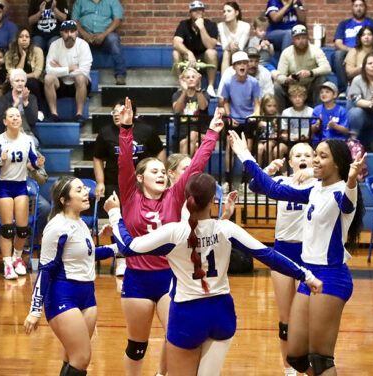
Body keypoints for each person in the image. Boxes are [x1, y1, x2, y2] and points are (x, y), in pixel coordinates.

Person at [105, 171, 322, 376]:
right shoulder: (226, 229)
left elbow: (128, 247)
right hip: (221, 313)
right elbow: (269, 256)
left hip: (187, 314)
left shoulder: (173, 232)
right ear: (212, 201)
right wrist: (307, 276)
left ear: (186, 199)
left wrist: (115, 214)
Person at [231, 130, 366, 376]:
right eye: (315, 155)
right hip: (309, 274)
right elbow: (272, 188)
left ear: (337, 162)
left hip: (331, 278)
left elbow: (348, 200)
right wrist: (244, 155)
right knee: (296, 356)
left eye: (321, 156)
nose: (315, 160)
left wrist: (352, 180)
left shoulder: (341, 192)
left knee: (321, 358)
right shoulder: (315, 190)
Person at [116, 98, 223, 376]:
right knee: (136, 346)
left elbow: (195, 166)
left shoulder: (174, 197)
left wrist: (211, 132)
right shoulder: (129, 196)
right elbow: (125, 162)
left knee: (175, 339)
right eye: (154, 171)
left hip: (169, 277)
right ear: (140, 178)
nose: (161, 175)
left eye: (164, 171)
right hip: (137, 279)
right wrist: (126, 129)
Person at [23, 176, 118, 376]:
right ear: (64, 200)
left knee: (72, 358)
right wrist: (34, 310)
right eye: (79, 190)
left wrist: (116, 248)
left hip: (87, 295)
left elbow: (88, 254)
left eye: (85, 188)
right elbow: (46, 269)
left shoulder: (81, 223)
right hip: (63, 295)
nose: (86, 192)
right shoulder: (57, 226)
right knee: (82, 358)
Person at [253, 142, 317, 376]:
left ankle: (307, 363)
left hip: (308, 254)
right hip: (281, 251)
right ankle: (288, 369)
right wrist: (269, 170)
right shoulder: (281, 182)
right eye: (297, 155)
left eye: (307, 155)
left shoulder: (320, 185)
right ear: (290, 162)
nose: (303, 158)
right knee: (285, 319)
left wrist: (311, 173)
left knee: (306, 315)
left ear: (314, 160)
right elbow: (254, 185)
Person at [0, 107, 45, 279]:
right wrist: (1, 159)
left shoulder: (27, 140)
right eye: (11, 116)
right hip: (3, 186)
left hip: (21, 185)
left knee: (22, 229)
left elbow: (34, 161)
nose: (15, 119)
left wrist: (38, 163)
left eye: (17, 116)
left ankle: (17, 258)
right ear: (5, 121)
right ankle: (7, 264)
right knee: (7, 229)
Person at [94, 99, 165, 215]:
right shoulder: (105, 133)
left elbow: (159, 151)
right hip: (114, 181)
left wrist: (159, 173)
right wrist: (100, 182)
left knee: (141, 215)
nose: (116, 114)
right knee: (118, 216)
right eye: (114, 112)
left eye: (120, 111)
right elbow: (97, 157)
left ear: (130, 113)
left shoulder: (146, 131)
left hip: (142, 182)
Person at [220, 51, 261, 180]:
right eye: (239, 64)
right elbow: (225, 102)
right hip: (234, 120)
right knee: (230, 148)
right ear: (234, 67)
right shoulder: (227, 82)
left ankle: (245, 179)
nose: (242, 66)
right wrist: (229, 117)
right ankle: (228, 179)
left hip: (249, 120)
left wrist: (256, 115)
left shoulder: (254, 82)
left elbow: (257, 103)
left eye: (244, 63)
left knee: (247, 149)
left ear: (248, 66)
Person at [274, 25, 331, 112]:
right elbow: (279, 75)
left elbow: (327, 68)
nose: (301, 41)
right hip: (292, 87)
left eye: (303, 38)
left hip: (310, 87)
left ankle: (319, 115)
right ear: (293, 40)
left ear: (307, 38)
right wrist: (287, 80)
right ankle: (279, 117)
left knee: (322, 79)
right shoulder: (286, 52)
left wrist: (310, 72)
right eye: (298, 38)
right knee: (277, 86)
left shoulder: (315, 50)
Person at [44, 20, 93, 123]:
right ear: (61, 33)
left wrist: (60, 68)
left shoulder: (83, 45)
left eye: (72, 31)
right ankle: (54, 114)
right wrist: (70, 68)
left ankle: (79, 114)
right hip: (61, 83)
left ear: (76, 33)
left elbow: (84, 71)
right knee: (48, 78)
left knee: (80, 77)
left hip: (79, 84)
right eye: (66, 32)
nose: (69, 34)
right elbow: (49, 70)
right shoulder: (54, 45)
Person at [333, 0, 373, 96]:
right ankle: (344, 90)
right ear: (352, 8)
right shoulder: (344, 24)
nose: (359, 8)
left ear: (365, 8)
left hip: (368, 50)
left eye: (361, 6)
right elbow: (338, 42)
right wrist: (351, 50)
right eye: (356, 6)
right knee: (338, 54)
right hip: (348, 51)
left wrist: (366, 47)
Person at [71, 0, 126, 85]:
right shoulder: (80, 1)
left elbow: (117, 20)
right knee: (74, 38)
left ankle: (120, 75)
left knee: (113, 39)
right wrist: (85, 34)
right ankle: (72, 74)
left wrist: (103, 34)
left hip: (105, 35)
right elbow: (74, 20)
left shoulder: (113, 1)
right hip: (84, 35)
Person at [172, 1, 218, 97]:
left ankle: (210, 87)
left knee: (212, 53)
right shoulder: (184, 24)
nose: (197, 12)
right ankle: (182, 84)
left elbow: (211, 45)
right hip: (188, 58)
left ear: (203, 12)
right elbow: (176, 42)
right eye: (194, 10)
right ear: (190, 12)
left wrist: (201, 28)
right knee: (175, 53)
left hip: (204, 58)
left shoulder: (211, 25)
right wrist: (189, 53)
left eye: (200, 10)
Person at [5, 27, 45, 111]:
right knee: (11, 85)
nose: (24, 39)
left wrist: (21, 78)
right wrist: (23, 56)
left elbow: (37, 73)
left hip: (35, 81)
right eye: (21, 37)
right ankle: (10, 112)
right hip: (15, 82)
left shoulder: (37, 51)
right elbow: (12, 74)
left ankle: (39, 111)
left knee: (32, 83)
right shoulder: (9, 54)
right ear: (17, 39)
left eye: (27, 37)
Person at [172, 68, 209, 156]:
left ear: (198, 79)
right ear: (183, 80)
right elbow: (177, 110)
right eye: (188, 77)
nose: (191, 79)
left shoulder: (203, 93)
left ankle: (184, 166)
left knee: (193, 134)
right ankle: (189, 168)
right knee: (193, 146)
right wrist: (184, 92)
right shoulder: (177, 95)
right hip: (183, 132)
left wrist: (197, 90)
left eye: (193, 77)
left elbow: (203, 107)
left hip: (201, 132)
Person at [0, 69, 40, 146]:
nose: (20, 83)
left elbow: (33, 120)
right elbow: (2, 121)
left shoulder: (32, 98)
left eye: (22, 81)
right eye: (17, 81)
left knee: (30, 143)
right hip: (8, 134)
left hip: (27, 134)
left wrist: (25, 102)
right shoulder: (4, 99)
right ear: (11, 83)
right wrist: (15, 104)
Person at [217, 2, 250, 74]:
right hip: (226, 54)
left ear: (236, 13)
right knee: (226, 52)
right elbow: (224, 46)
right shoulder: (220, 26)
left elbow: (241, 46)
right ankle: (224, 82)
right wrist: (230, 45)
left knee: (234, 51)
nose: (225, 14)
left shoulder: (245, 26)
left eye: (229, 11)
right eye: (224, 11)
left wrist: (233, 46)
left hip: (242, 53)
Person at [256, 94, 286, 166]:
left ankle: (270, 168)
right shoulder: (259, 117)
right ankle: (258, 170)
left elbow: (281, 132)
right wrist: (257, 124)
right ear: (264, 106)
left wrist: (276, 135)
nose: (272, 108)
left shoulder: (278, 117)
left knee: (267, 145)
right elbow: (255, 132)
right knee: (259, 148)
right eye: (269, 106)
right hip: (261, 139)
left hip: (273, 140)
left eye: (274, 106)